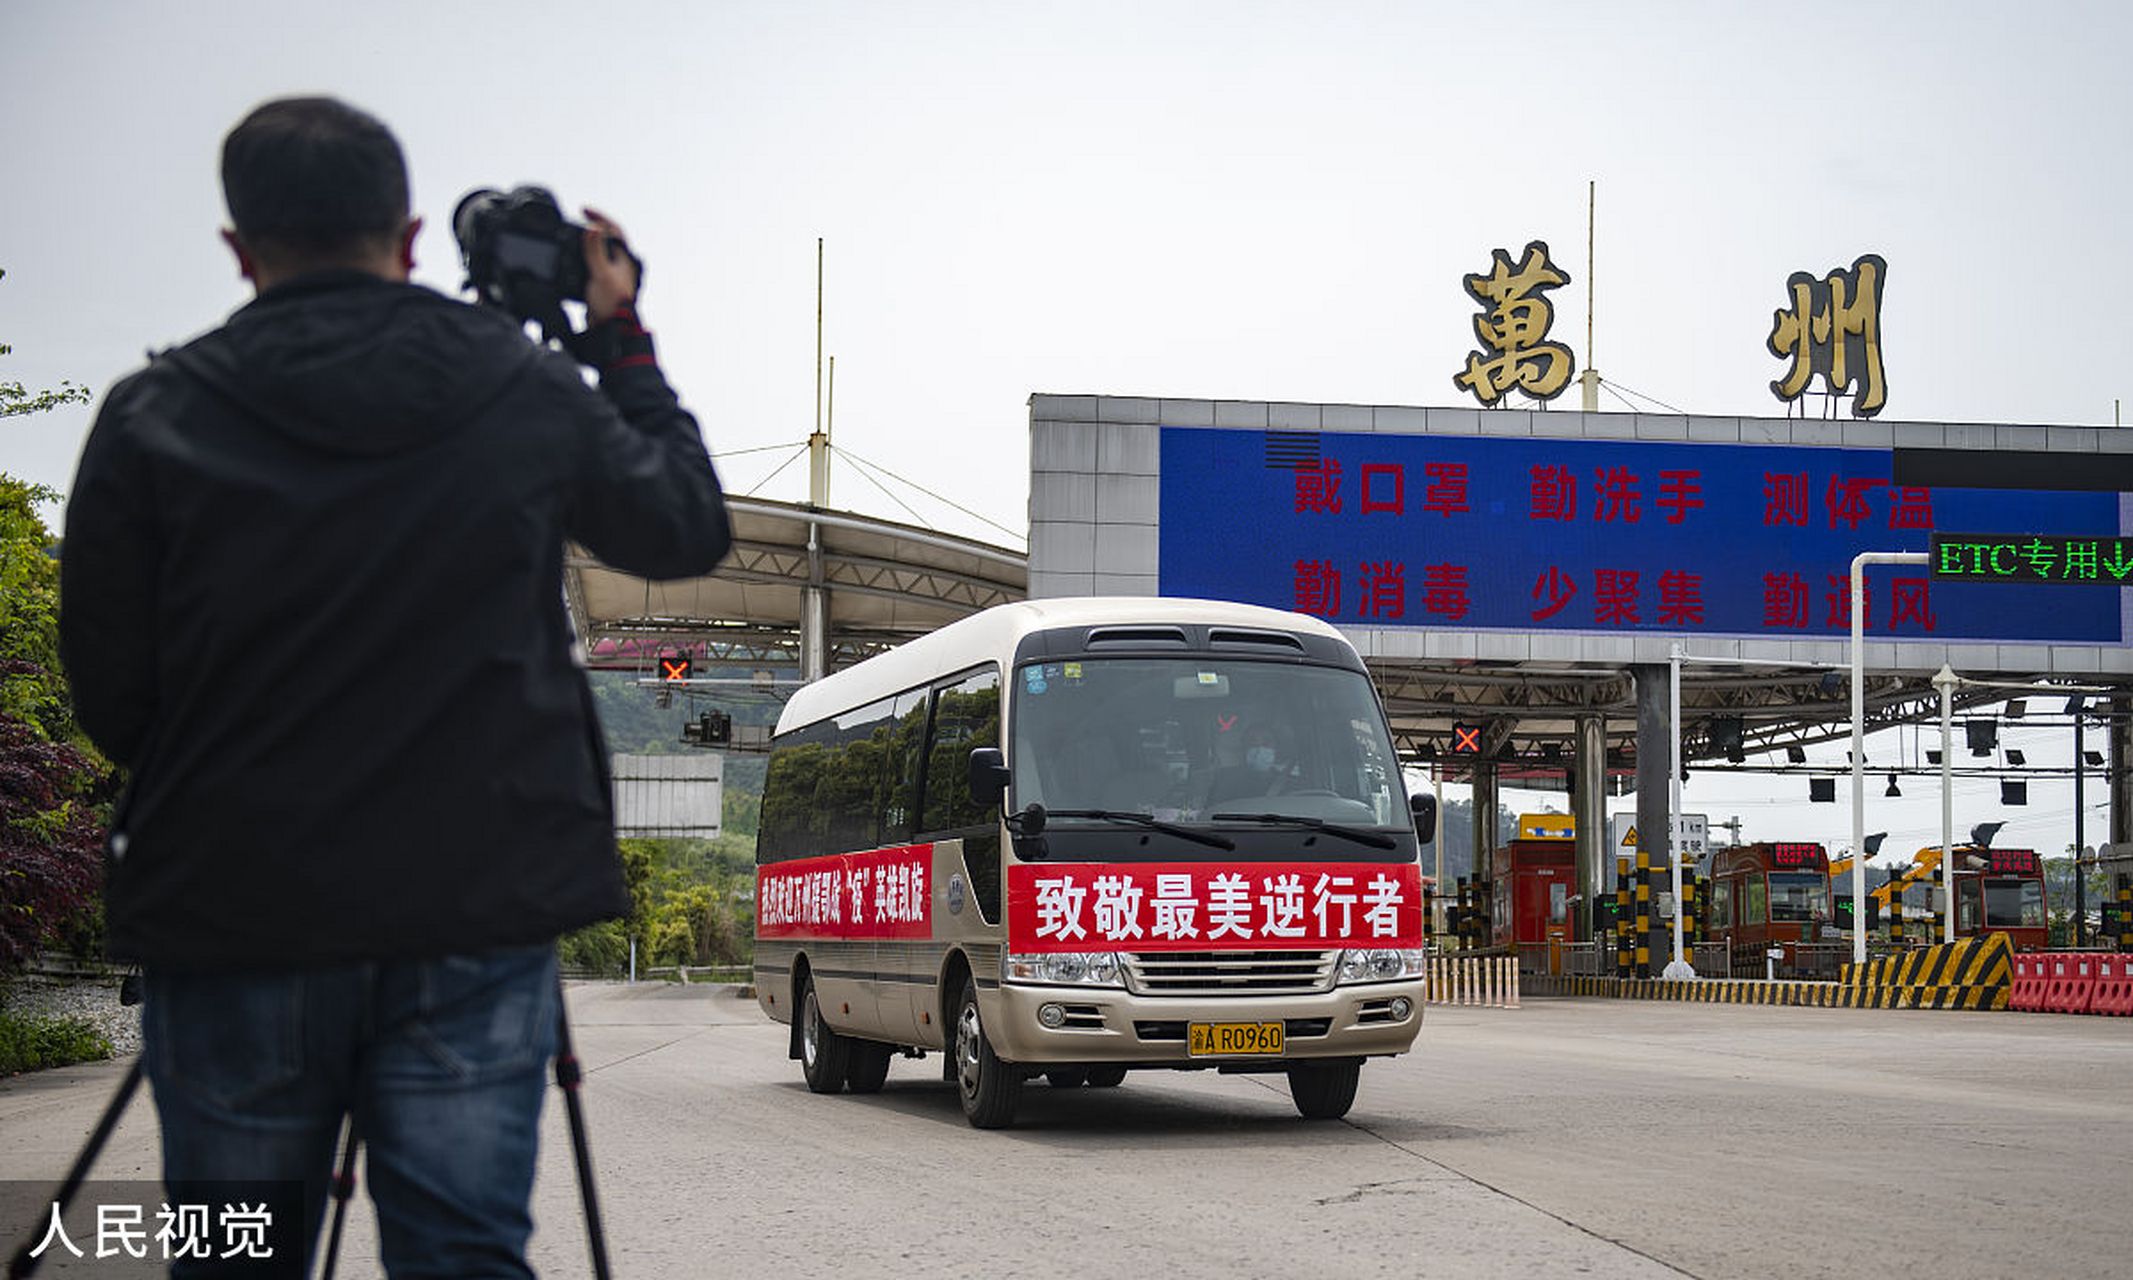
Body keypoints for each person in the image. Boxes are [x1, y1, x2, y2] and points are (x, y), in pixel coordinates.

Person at [59, 96, 731, 1276]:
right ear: (412, 235)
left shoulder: (153, 415)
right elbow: (683, 523)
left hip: (231, 916)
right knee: (464, 1252)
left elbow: (113, 698)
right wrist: (620, 337)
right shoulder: (518, 387)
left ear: (238, 246)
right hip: (469, 914)